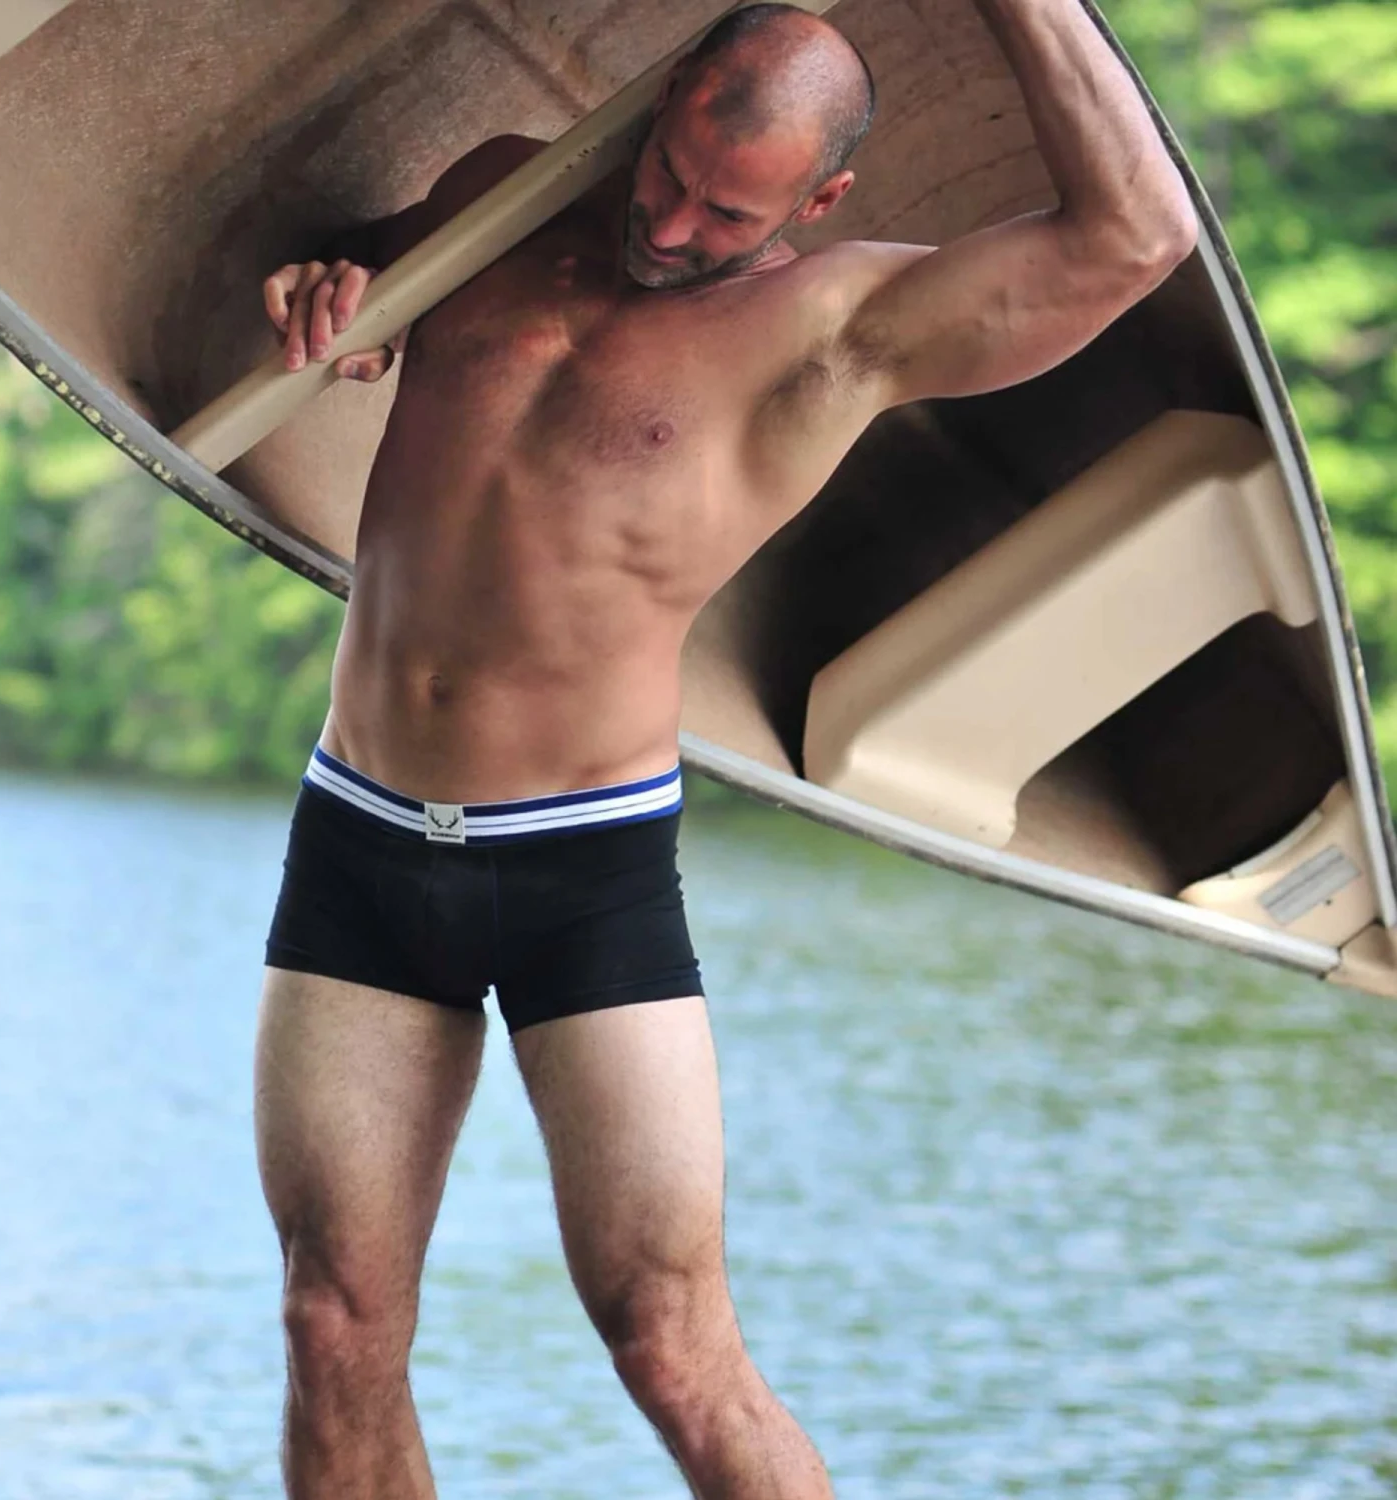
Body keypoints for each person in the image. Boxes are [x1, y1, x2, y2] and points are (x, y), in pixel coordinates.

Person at [253, 2, 1196, 1495]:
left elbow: (1137, 235)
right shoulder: (504, 194)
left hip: (578, 869)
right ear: (669, 94)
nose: (674, 225)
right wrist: (333, 291)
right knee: (331, 1322)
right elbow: (349, 277)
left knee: (670, 1340)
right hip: (362, 827)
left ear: (821, 201)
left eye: (728, 213)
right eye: (670, 174)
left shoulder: (840, 329)